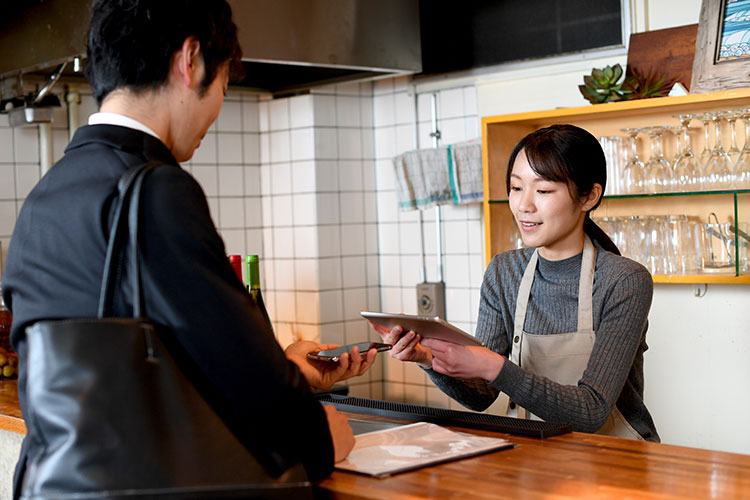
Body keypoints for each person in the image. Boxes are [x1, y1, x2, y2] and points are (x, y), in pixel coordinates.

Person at [1, 0, 377, 496]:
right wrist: (318, 439)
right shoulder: (153, 191)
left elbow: (134, 369)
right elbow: (248, 380)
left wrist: (288, 369)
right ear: (191, 60)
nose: (216, 109)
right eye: (223, 83)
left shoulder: (45, 197)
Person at [373, 124, 659, 441]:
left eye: (544, 190)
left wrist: (494, 366)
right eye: (516, 188)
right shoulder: (504, 271)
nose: (524, 205)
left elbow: (591, 413)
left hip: (617, 461)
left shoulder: (624, 280)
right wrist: (430, 360)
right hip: (536, 456)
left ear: (588, 196)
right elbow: (482, 396)